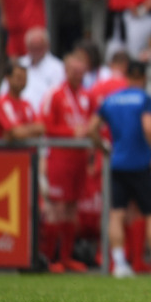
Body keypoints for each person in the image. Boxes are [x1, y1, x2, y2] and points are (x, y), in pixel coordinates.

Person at [88, 61, 151, 280]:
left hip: (117, 163)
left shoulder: (111, 100)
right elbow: (149, 127)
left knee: (117, 214)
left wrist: (102, 147)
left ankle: (119, 264)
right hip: (141, 164)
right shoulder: (146, 99)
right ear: (144, 78)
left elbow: (91, 127)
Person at [40, 53, 93, 273]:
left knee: (72, 209)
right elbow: (45, 126)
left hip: (79, 160)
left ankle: (66, 257)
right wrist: (72, 132)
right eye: (74, 71)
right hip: (60, 159)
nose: (78, 75)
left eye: (81, 72)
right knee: (57, 208)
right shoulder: (54, 94)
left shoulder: (86, 96)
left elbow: (90, 124)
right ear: (66, 70)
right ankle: (48, 259)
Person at [0, 27, 65, 114]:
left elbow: (60, 97)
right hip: (17, 115)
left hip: (45, 117)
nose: (36, 51)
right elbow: (3, 92)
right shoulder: (18, 65)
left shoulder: (58, 68)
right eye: (33, 47)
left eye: (39, 47)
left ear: (47, 46)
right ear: (27, 47)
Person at [0, 62, 44, 141]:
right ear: (8, 78)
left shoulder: (26, 104)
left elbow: (41, 128)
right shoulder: (2, 103)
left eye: (24, 78)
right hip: (7, 153)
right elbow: (16, 132)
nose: (22, 82)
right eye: (18, 78)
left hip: (26, 153)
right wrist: (31, 130)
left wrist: (21, 131)